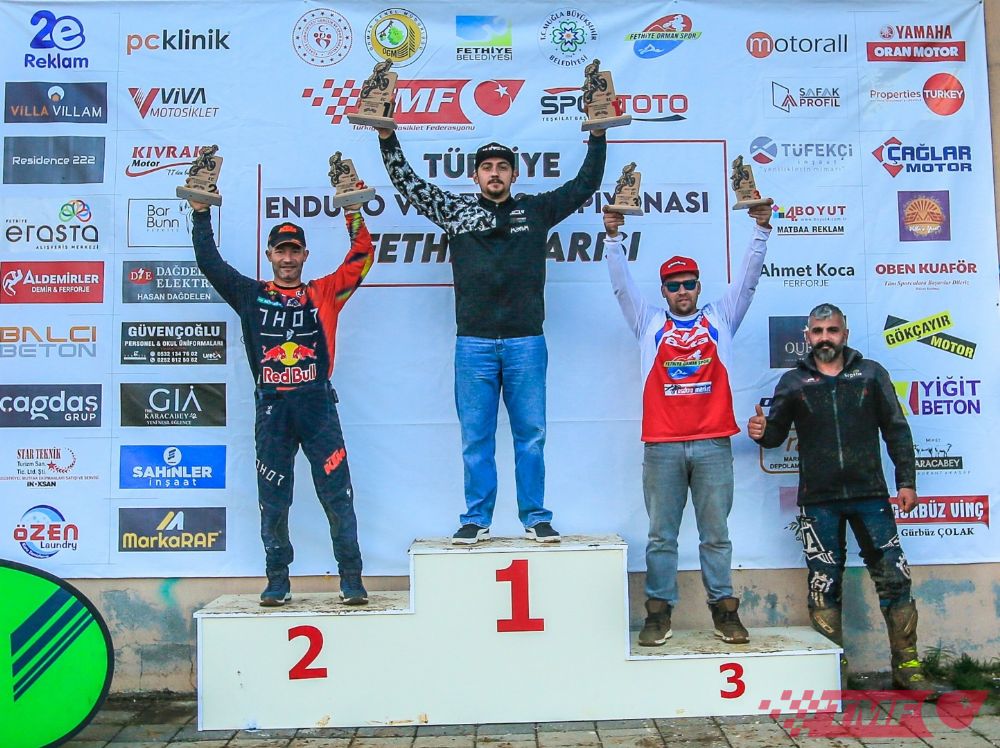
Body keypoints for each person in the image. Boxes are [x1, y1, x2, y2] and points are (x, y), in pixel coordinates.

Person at [373, 122, 606, 545]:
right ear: (474, 176)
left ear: (515, 174)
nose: (494, 173)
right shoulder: (456, 211)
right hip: (474, 344)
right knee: (475, 438)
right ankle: (476, 518)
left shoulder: (536, 210)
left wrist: (598, 136)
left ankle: (535, 516)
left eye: (502, 167)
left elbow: (585, 184)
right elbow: (408, 183)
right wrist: (387, 139)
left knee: (531, 436)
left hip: (526, 342)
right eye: (486, 167)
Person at [602, 200, 773, 645]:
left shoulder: (720, 318)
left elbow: (749, 281)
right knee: (662, 536)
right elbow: (622, 288)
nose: (682, 291)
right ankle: (658, 613)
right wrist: (613, 239)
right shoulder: (648, 323)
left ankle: (724, 610)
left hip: (713, 443)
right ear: (663, 291)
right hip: (662, 445)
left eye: (689, 284)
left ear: (699, 287)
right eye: (674, 285)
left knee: (716, 535)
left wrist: (761, 231)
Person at [189, 199, 374, 607]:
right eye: (280, 251)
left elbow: (362, 257)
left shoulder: (324, 292)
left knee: (337, 495)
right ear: (269, 254)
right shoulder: (250, 294)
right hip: (272, 410)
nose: (287, 258)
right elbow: (209, 262)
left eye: (294, 251)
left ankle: (351, 578)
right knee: (273, 499)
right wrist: (200, 213)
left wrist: (353, 211)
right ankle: (277, 580)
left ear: (305, 255)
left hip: (317, 407)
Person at [747, 303, 926, 688]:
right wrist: (762, 431)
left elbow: (896, 430)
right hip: (818, 501)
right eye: (818, 331)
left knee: (894, 579)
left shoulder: (871, 373)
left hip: (871, 496)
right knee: (823, 584)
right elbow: (775, 435)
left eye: (832, 330)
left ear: (845, 333)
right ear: (807, 337)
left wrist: (906, 482)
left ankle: (908, 666)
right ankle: (831, 674)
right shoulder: (793, 382)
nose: (825, 338)